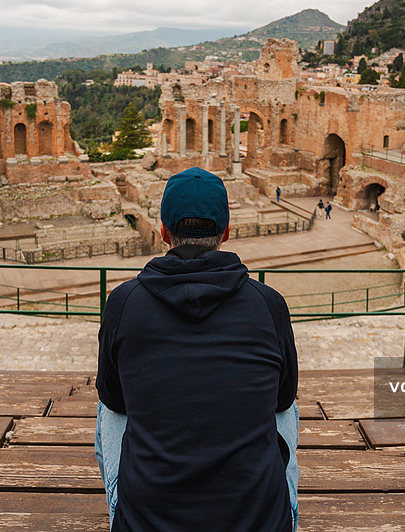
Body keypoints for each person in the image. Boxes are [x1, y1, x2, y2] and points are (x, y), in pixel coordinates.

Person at [95, 167, 300, 532]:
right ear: (226, 232)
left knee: (107, 405)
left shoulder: (123, 302)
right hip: (259, 523)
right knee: (286, 405)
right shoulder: (269, 304)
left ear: (163, 232)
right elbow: (283, 398)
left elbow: (114, 399)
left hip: (147, 524)